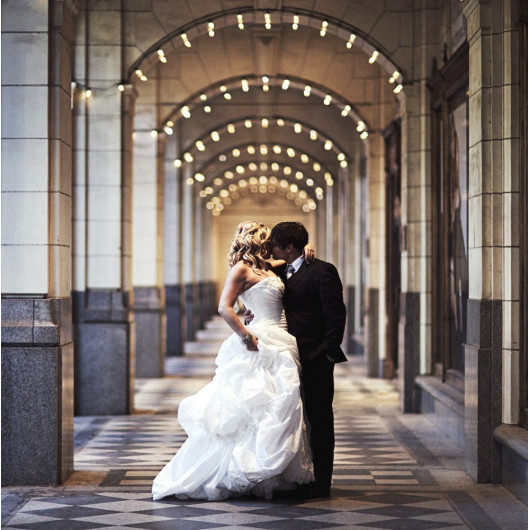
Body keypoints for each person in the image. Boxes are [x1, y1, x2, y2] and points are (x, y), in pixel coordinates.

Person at [152, 221, 314, 501]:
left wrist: (306, 249)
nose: (270, 242)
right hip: (258, 341)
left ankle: (269, 471)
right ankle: (238, 468)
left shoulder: (266, 267)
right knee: (251, 405)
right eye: (265, 237)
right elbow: (224, 306)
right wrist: (245, 335)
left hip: (281, 338)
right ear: (253, 239)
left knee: (279, 405)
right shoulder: (241, 269)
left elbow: (289, 258)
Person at [267, 221, 347, 498]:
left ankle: (322, 483)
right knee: (291, 419)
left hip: (314, 359)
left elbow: (336, 316)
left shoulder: (323, 271)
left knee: (320, 419)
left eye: (275, 244)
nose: (270, 248)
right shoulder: (279, 270)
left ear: (288, 247)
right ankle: (297, 477)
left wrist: (324, 352)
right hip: (284, 359)